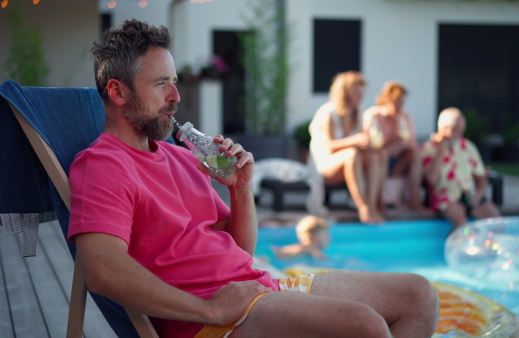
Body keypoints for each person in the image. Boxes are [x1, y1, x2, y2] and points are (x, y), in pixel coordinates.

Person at [68, 19, 439, 338]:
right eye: (161, 84)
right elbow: (102, 270)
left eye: (175, 81)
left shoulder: (180, 157)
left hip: (260, 286)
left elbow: (240, 250)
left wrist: (241, 189)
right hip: (214, 321)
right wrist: (208, 310)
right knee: (365, 326)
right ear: (117, 91)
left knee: (418, 295)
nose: (176, 96)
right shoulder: (103, 164)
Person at [308, 71, 389, 223]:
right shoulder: (328, 113)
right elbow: (329, 146)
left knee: (377, 155)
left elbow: (360, 144)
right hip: (324, 167)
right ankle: (362, 207)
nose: (361, 98)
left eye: (362, 94)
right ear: (344, 93)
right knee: (351, 154)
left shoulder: (356, 114)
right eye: (357, 94)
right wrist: (355, 140)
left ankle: (373, 205)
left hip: (348, 164)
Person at [421, 107, 501, 230]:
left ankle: (488, 248)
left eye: (461, 130)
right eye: (456, 130)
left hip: (469, 194)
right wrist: (441, 151)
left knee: (497, 223)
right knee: (461, 226)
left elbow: (481, 177)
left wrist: (479, 194)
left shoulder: (467, 146)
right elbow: (431, 180)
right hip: (446, 198)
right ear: (444, 128)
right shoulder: (429, 149)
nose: (459, 135)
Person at [362, 81, 427, 213]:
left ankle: (415, 199)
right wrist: (394, 141)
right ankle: (379, 202)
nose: (400, 105)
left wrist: (399, 142)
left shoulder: (405, 117)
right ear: (386, 100)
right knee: (381, 155)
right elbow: (372, 146)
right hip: (380, 161)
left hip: (398, 161)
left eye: (402, 101)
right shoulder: (374, 115)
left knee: (416, 153)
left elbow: (411, 144)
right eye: (397, 101)